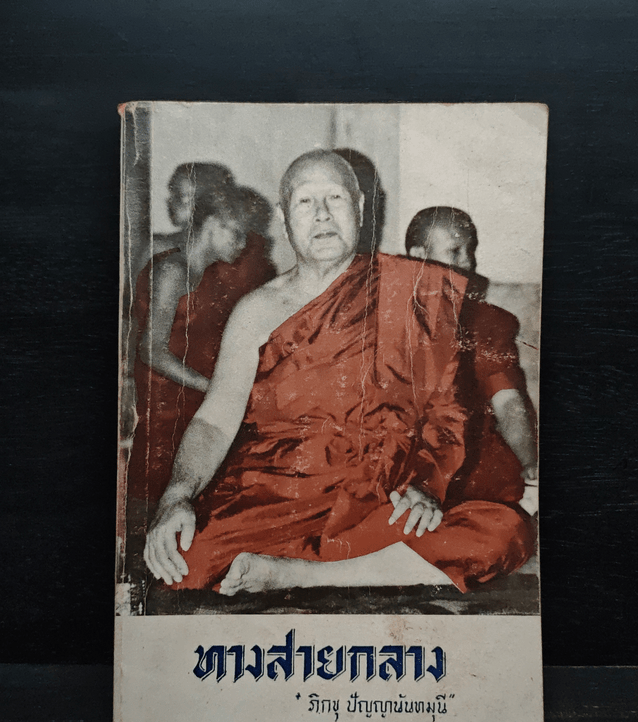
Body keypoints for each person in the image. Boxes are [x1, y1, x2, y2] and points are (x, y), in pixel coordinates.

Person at [143, 151, 534, 596]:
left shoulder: (416, 294)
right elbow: (215, 420)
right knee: (183, 563)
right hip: (278, 499)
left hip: (381, 497)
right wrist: (177, 496)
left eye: (335, 197)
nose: (322, 214)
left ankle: (299, 575)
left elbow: (446, 415)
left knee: (504, 533)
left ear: (360, 208)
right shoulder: (255, 311)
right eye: (305, 202)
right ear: (284, 217)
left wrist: (425, 486)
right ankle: (362, 570)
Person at [128, 184, 275, 503]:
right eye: (237, 233)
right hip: (166, 406)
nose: (242, 244)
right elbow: (150, 350)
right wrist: (211, 387)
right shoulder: (172, 271)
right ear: (212, 224)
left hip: (190, 397)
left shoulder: (209, 275)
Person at [405, 207, 538, 515]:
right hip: (404, 463)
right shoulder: (386, 315)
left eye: (471, 250)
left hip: (473, 465)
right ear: (418, 256)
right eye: (455, 251)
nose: (468, 262)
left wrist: (531, 464)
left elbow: (508, 402)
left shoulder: (487, 321)